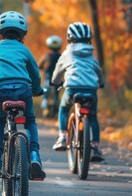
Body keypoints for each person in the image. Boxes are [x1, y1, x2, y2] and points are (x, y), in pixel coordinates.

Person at [0, 11, 46, 180]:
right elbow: (35, 73)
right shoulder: (25, 50)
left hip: (2, 92)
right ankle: (34, 155)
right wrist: (37, 89)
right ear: (22, 34)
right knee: (30, 120)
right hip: (24, 91)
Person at [50, 22, 105, 161]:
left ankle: (62, 137)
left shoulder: (67, 53)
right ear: (89, 39)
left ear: (69, 38)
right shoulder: (91, 55)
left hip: (72, 89)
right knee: (92, 117)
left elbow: (58, 71)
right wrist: (101, 83)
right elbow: (98, 71)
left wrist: (55, 82)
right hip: (91, 90)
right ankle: (96, 146)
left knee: (63, 108)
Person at [38, 35, 62, 109]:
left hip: (48, 77)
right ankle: (56, 102)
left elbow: (39, 65)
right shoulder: (61, 56)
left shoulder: (46, 56)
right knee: (57, 91)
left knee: (45, 88)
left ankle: (44, 101)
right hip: (57, 78)